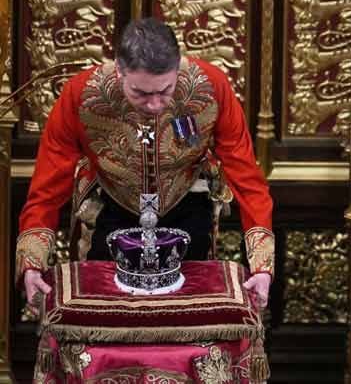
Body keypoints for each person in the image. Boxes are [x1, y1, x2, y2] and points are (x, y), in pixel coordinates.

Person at [16, 18, 274, 309]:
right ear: (119, 70)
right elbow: (48, 185)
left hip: (187, 208)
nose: (154, 104)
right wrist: (32, 262)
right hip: (110, 210)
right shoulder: (81, 94)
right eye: (140, 93)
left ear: (178, 69)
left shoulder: (210, 86)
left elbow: (246, 177)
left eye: (165, 91)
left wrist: (262, 266)